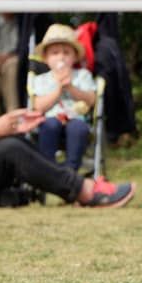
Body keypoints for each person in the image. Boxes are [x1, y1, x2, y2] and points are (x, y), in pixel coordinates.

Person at [0, 25, 135, 208]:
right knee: (11, 147)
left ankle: (10, 193)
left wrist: (8, 127)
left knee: (16, 140)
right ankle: (85, 191)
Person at [31, 23, 98, 172]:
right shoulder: (41, 79)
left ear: (74, 57)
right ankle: (48, 169)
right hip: (50, 119)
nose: (61, 57)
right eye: (55, 53)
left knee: (78, 128)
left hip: (76, 119)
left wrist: (71, 88)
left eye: (66, 52)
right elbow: (38, 106)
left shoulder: (82, 75)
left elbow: (92, 100)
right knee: (50, 126)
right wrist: (59, 89)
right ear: (46, 58)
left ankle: (71, 171)